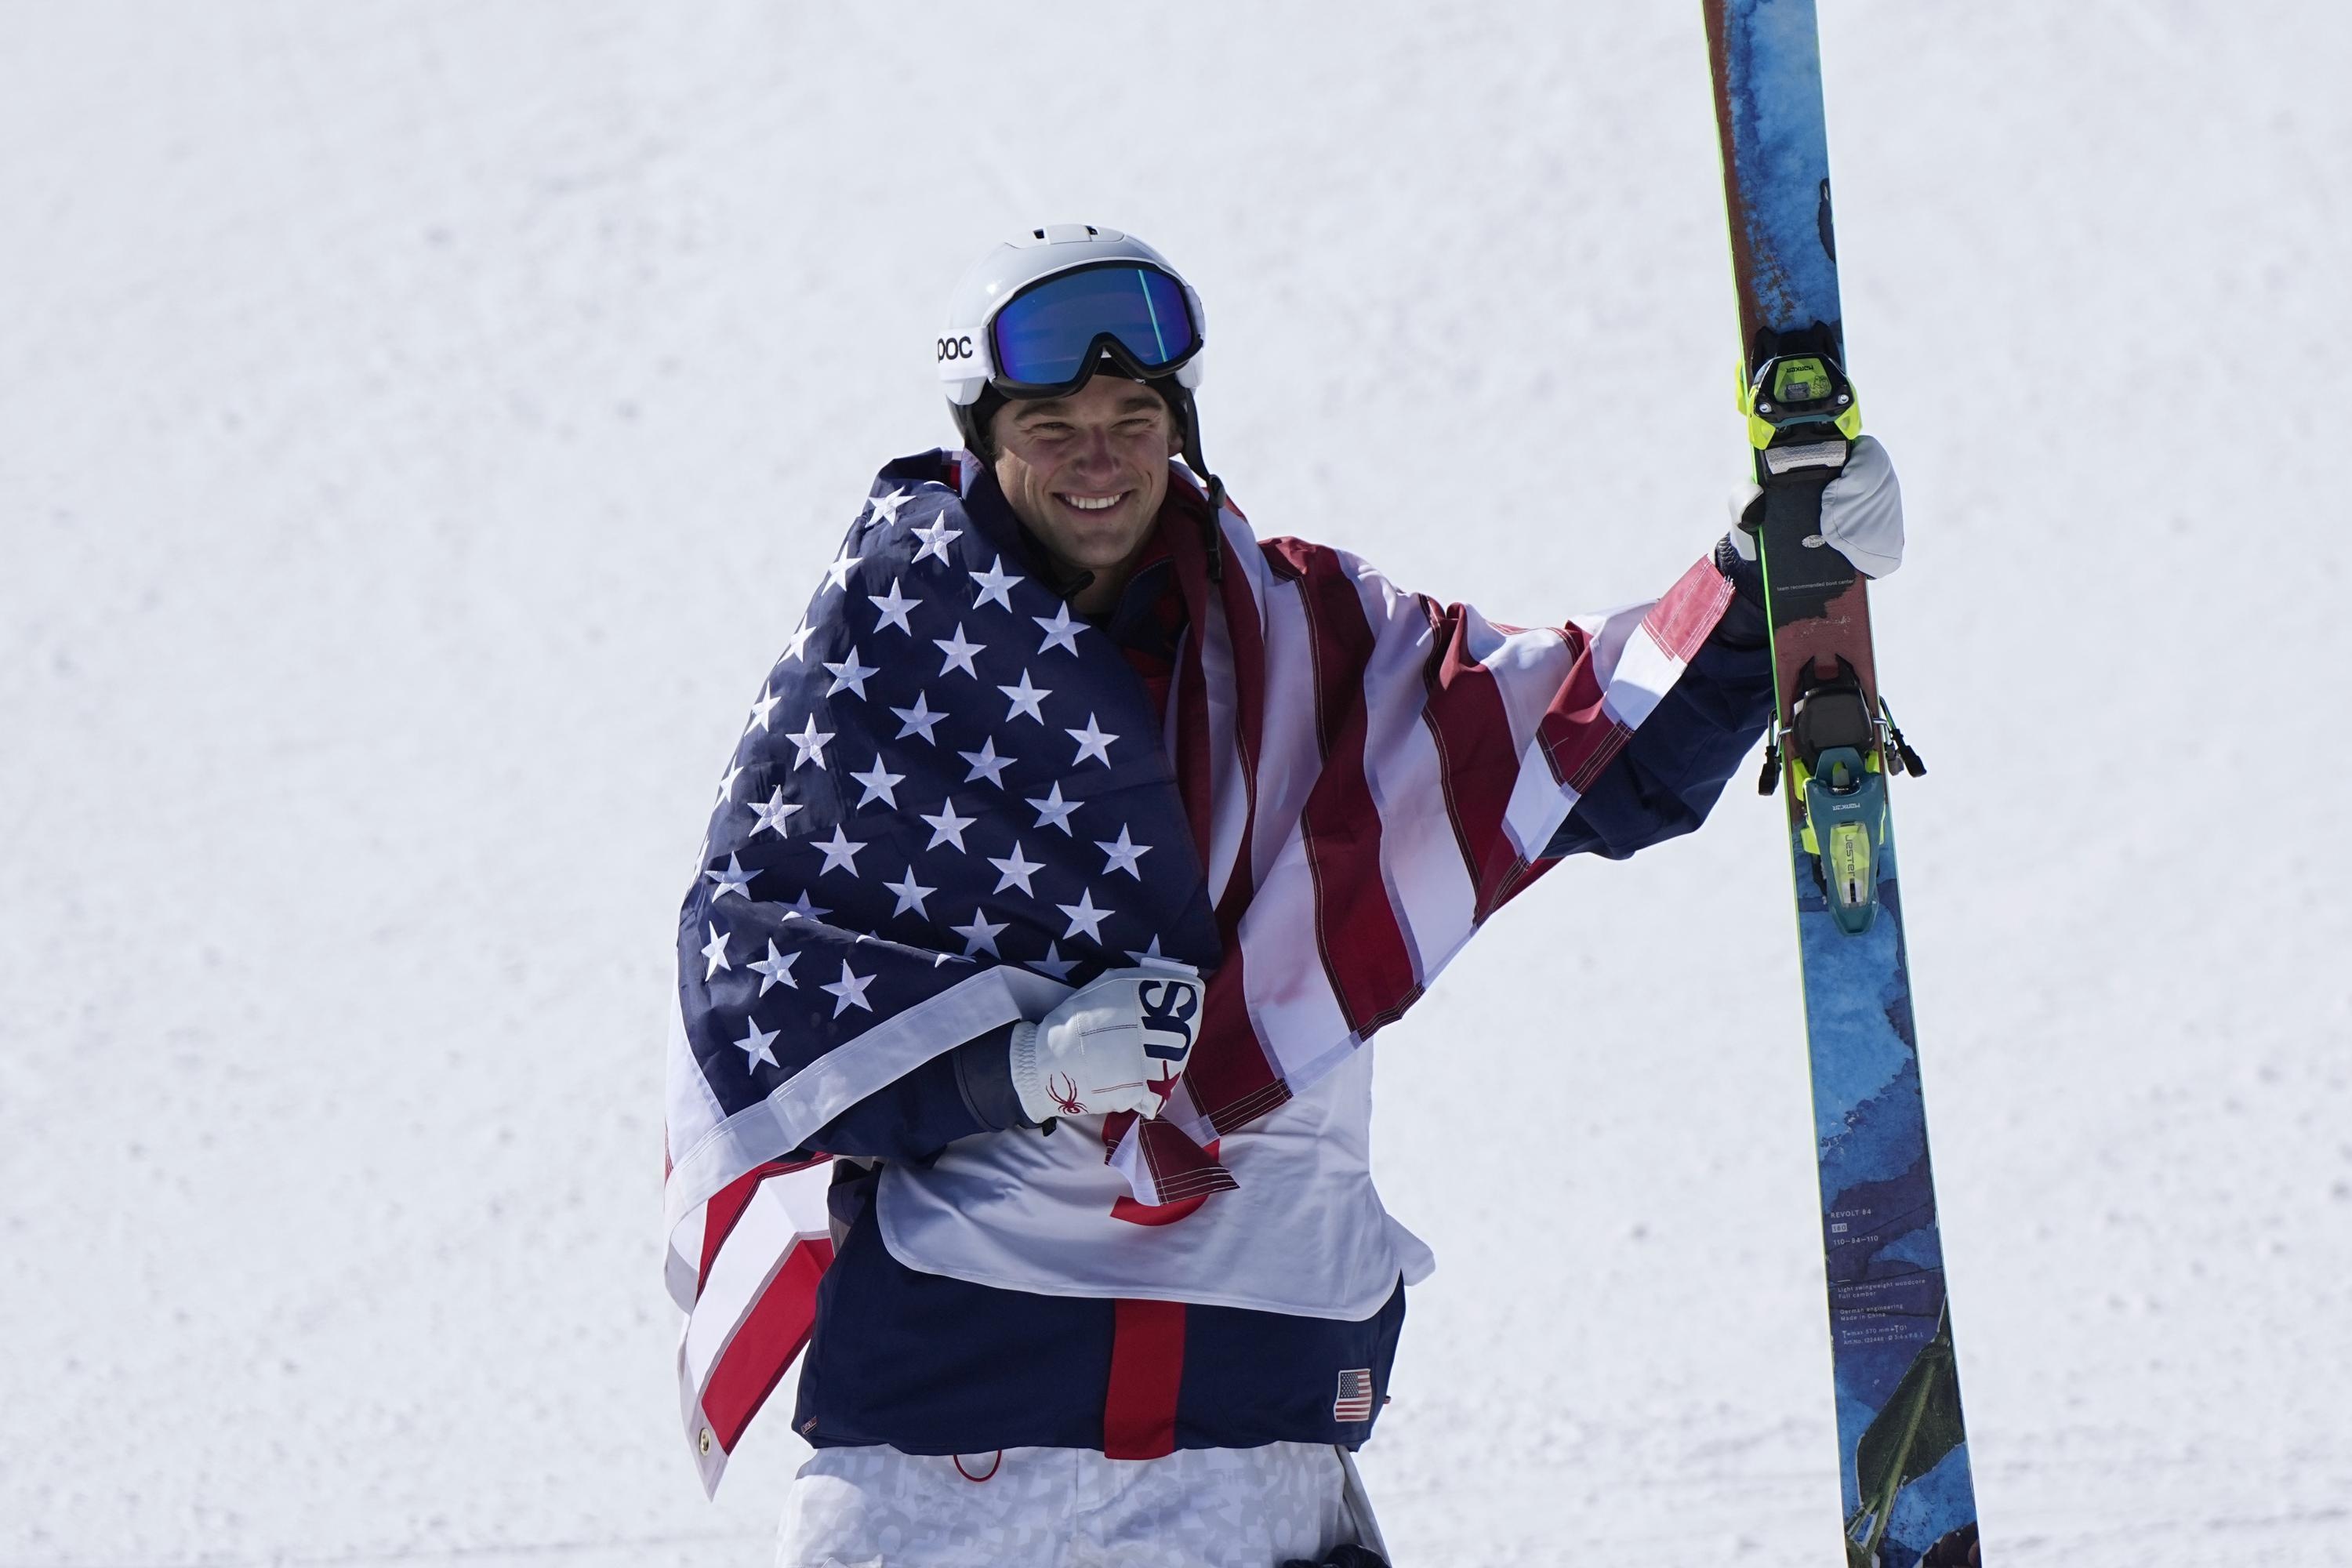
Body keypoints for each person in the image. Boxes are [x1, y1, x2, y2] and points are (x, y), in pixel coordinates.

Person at [659, 224, 1907, 1567]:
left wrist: (1767, 579)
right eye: (1053, 422)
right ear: (981, 435)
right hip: (951, 1447)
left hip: (1248, 1424)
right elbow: (763, 999)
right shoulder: (888, 667)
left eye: (1133, 415)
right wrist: (1010, 1069)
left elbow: (1584, 759)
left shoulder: (1312, 639)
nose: (1100, 457)